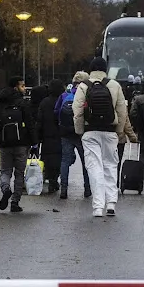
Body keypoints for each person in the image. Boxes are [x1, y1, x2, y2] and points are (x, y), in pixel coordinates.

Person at [73, 57, 127, 217]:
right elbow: (122, 111)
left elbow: (77, 112)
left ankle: (97, 207)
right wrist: (119, 130)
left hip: (90, 132)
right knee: (110, 166)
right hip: (110, 131)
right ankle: (111, 203)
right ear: (105, 69)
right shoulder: (114, 85)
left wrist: (80, 131)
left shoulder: (83, 86)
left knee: (94, 167)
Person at [0, 76, 38, 212]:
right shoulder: (22, 103)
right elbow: (30, 124)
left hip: (5, 143)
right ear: (15, 87)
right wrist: (34, 142)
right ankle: (15, 201)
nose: (24, 89)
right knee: (19, 173)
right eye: (22, 86)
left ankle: (6, 188)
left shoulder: (0, 103)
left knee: (5, 171)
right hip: (21, 144)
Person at [54, 71, 91, 199]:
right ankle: (87, 189)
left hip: (65, 133)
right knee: (85, 161)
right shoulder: (86, 94)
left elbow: (56, 111)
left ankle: (64, 189)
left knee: (65, 160)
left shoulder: (65, 95)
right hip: (81, 133)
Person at [37, 79, 65, 193]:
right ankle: (55, 178)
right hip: (60, 134)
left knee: (47, 157)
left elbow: (40, 119)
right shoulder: (63, 100)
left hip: (47, 135)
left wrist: (38, 135)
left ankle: (49, 177)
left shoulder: (44, 102)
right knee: (59, 158)